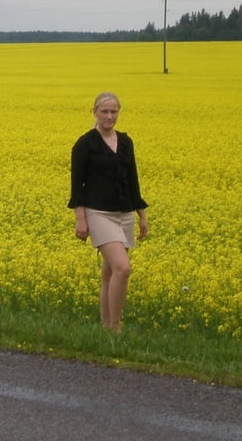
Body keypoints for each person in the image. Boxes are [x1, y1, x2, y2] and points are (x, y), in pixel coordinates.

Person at [69, 91, 148, 332]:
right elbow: (77, 185)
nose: (109, 116)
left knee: (110, 273)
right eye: (104, 111)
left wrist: (141, 213)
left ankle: (105, 328)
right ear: (94, 112)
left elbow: (132, 179)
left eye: (114, 111)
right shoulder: (85, 144)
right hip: (98, 213)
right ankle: (116, 327)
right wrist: (81, 220)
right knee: (123, 267)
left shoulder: (125, 142)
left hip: (123, 213)